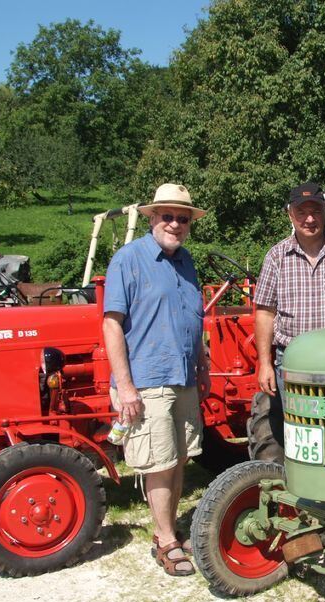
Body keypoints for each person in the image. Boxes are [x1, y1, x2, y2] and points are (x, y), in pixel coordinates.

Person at [102, 182, 210, 577]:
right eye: (168, 216)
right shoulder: (128, 260)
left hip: (182, 376)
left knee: (178, 458)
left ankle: (169, 529)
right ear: (152, 218)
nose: (176, 224)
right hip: (148, 380)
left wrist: (202, 365)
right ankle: (165, 540)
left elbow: (192, 319)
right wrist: (125, 386)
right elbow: (112, 325)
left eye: (183, 219)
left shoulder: (186, 262)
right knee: (158, 462)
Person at [252, 182, 325, 456]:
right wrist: (265, 363)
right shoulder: (276, 256)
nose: (310, 219)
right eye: (301, 212)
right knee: (302, 431)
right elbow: (264, 311)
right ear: (290, 215)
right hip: (292, 360)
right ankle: (304, 488)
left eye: (316, 210)